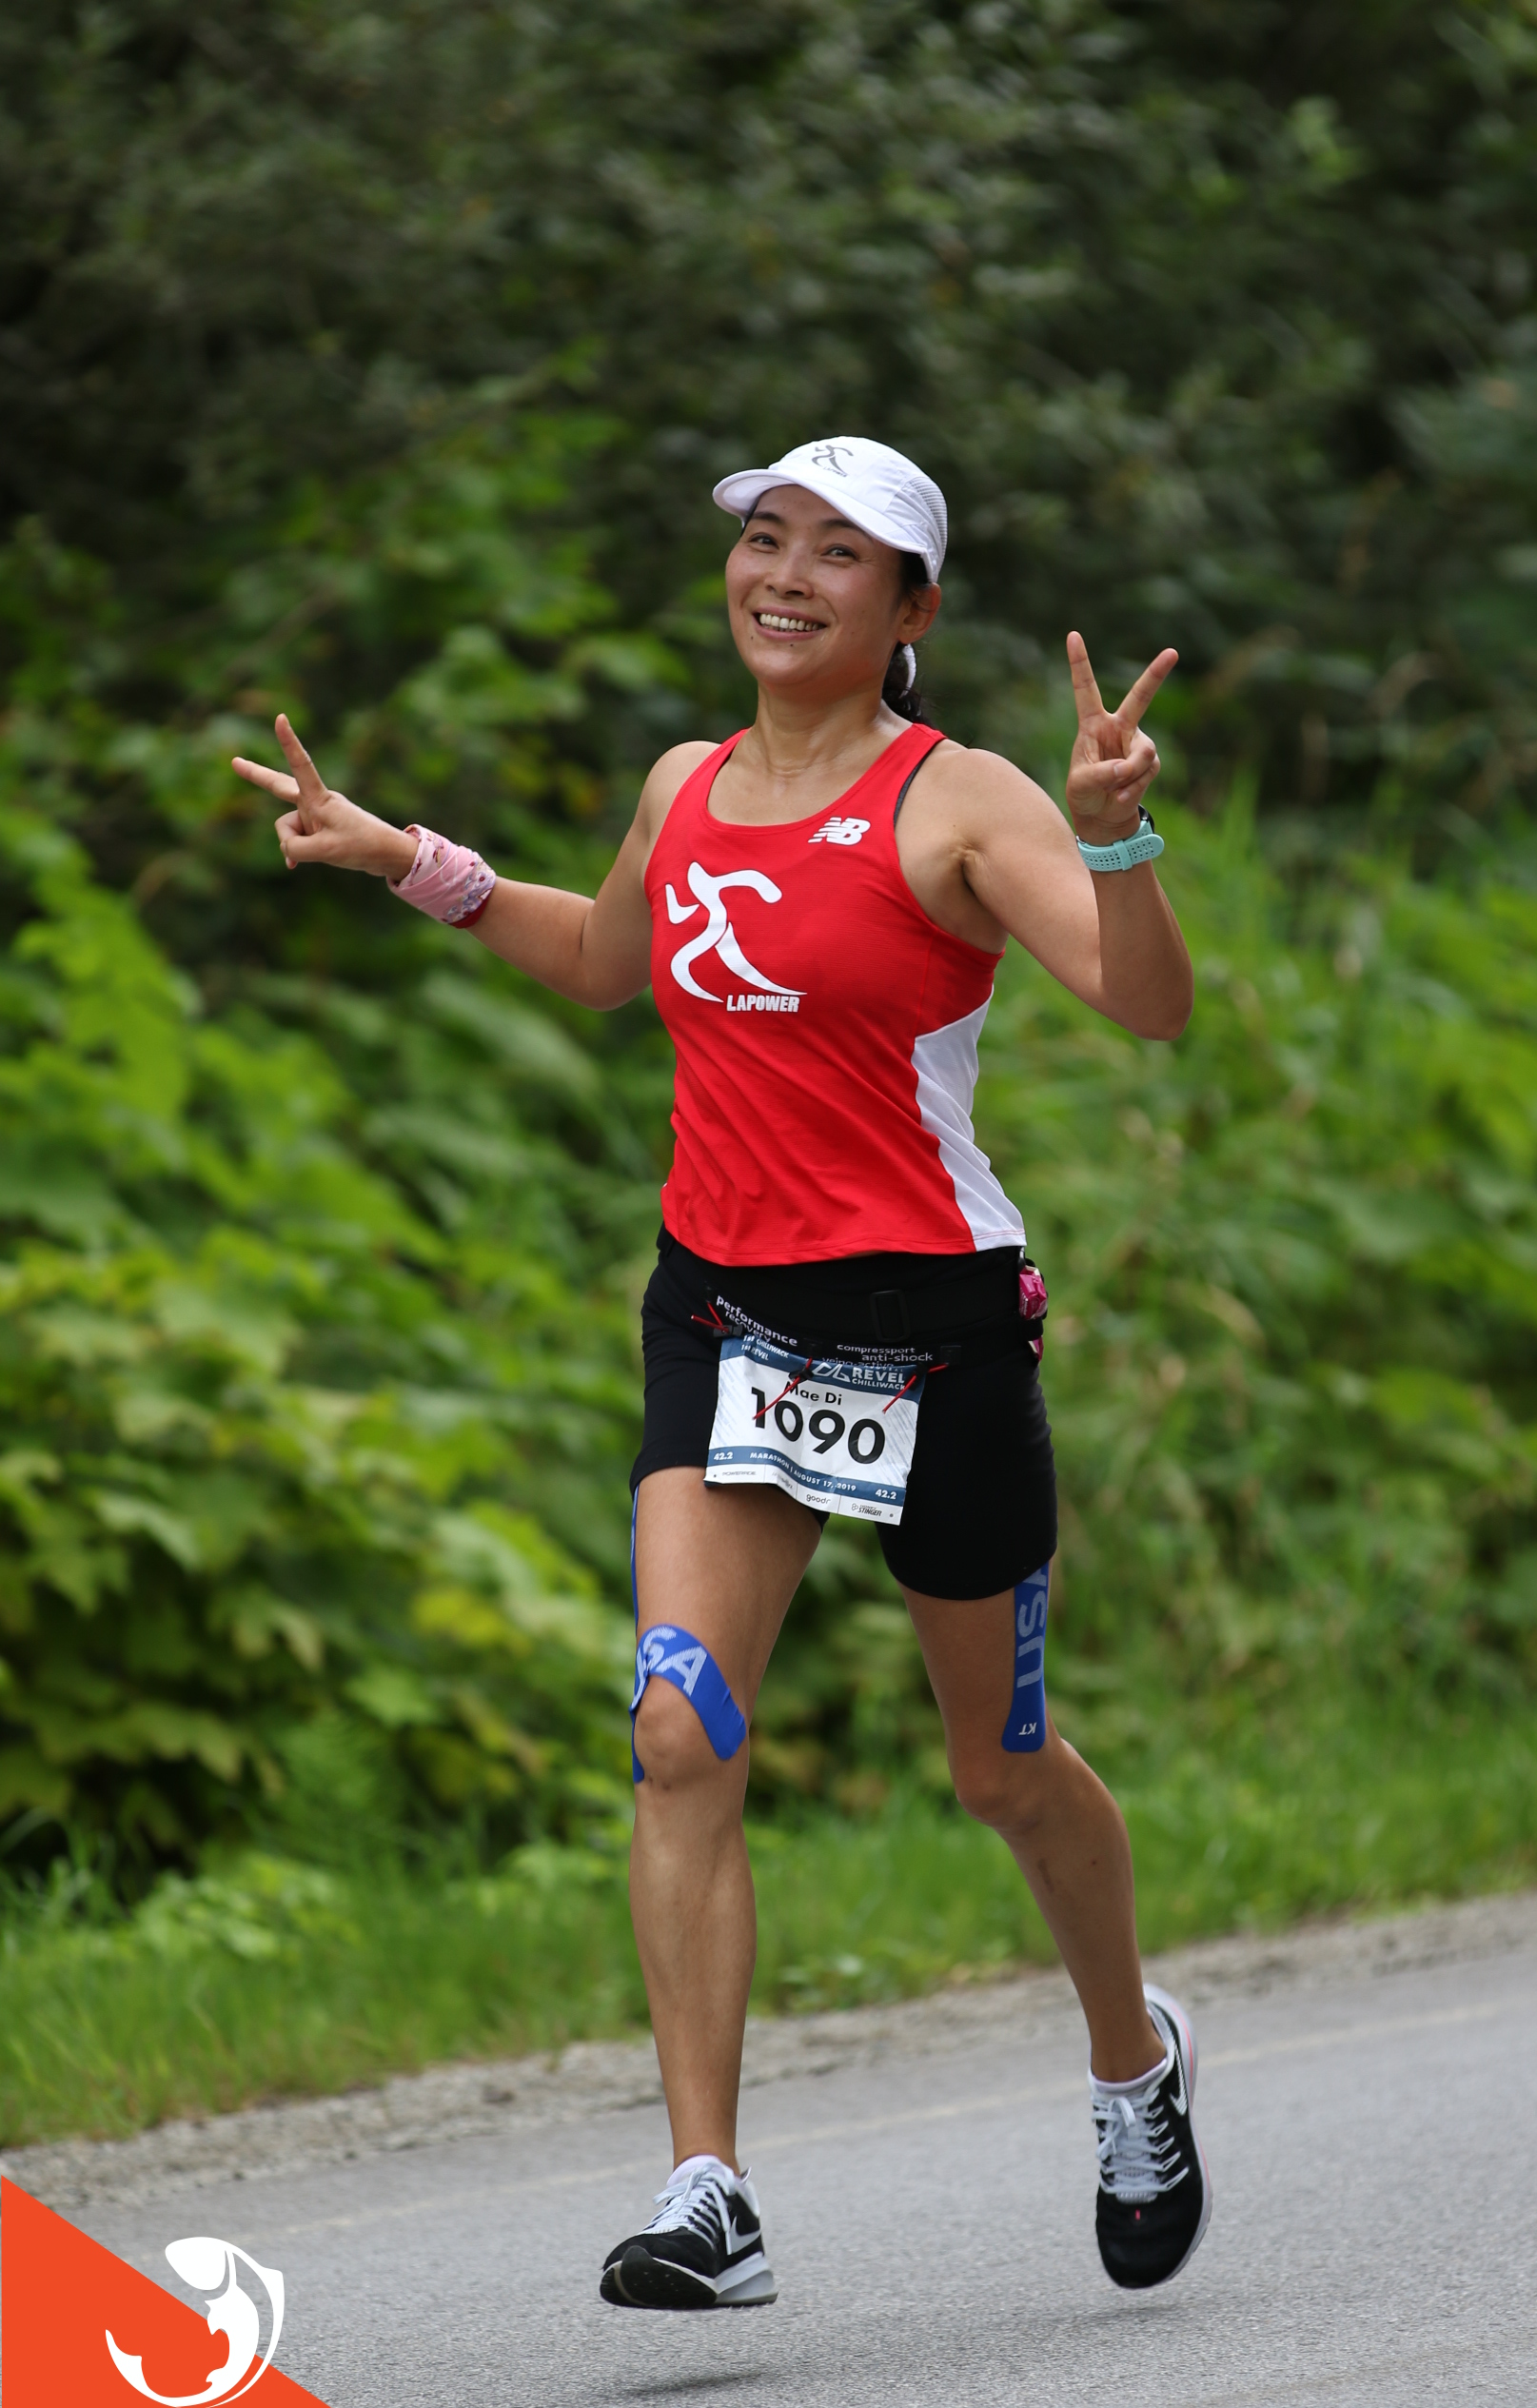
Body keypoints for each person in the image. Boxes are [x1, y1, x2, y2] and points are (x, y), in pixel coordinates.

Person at [233, 435, 1209, 2311]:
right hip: (725, 1316)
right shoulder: (684, 785)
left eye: (840, 553)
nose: (788, 574)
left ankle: (1130, 2063)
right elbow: (606, 960)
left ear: (910, 609)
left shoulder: (959, 798)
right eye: (768, 538)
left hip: (933, 1324)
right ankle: (711, 2192)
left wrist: (1113, 836)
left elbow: (1144, 1002)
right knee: (680, 1729)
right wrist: (407, 860)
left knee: (1001, 1770)